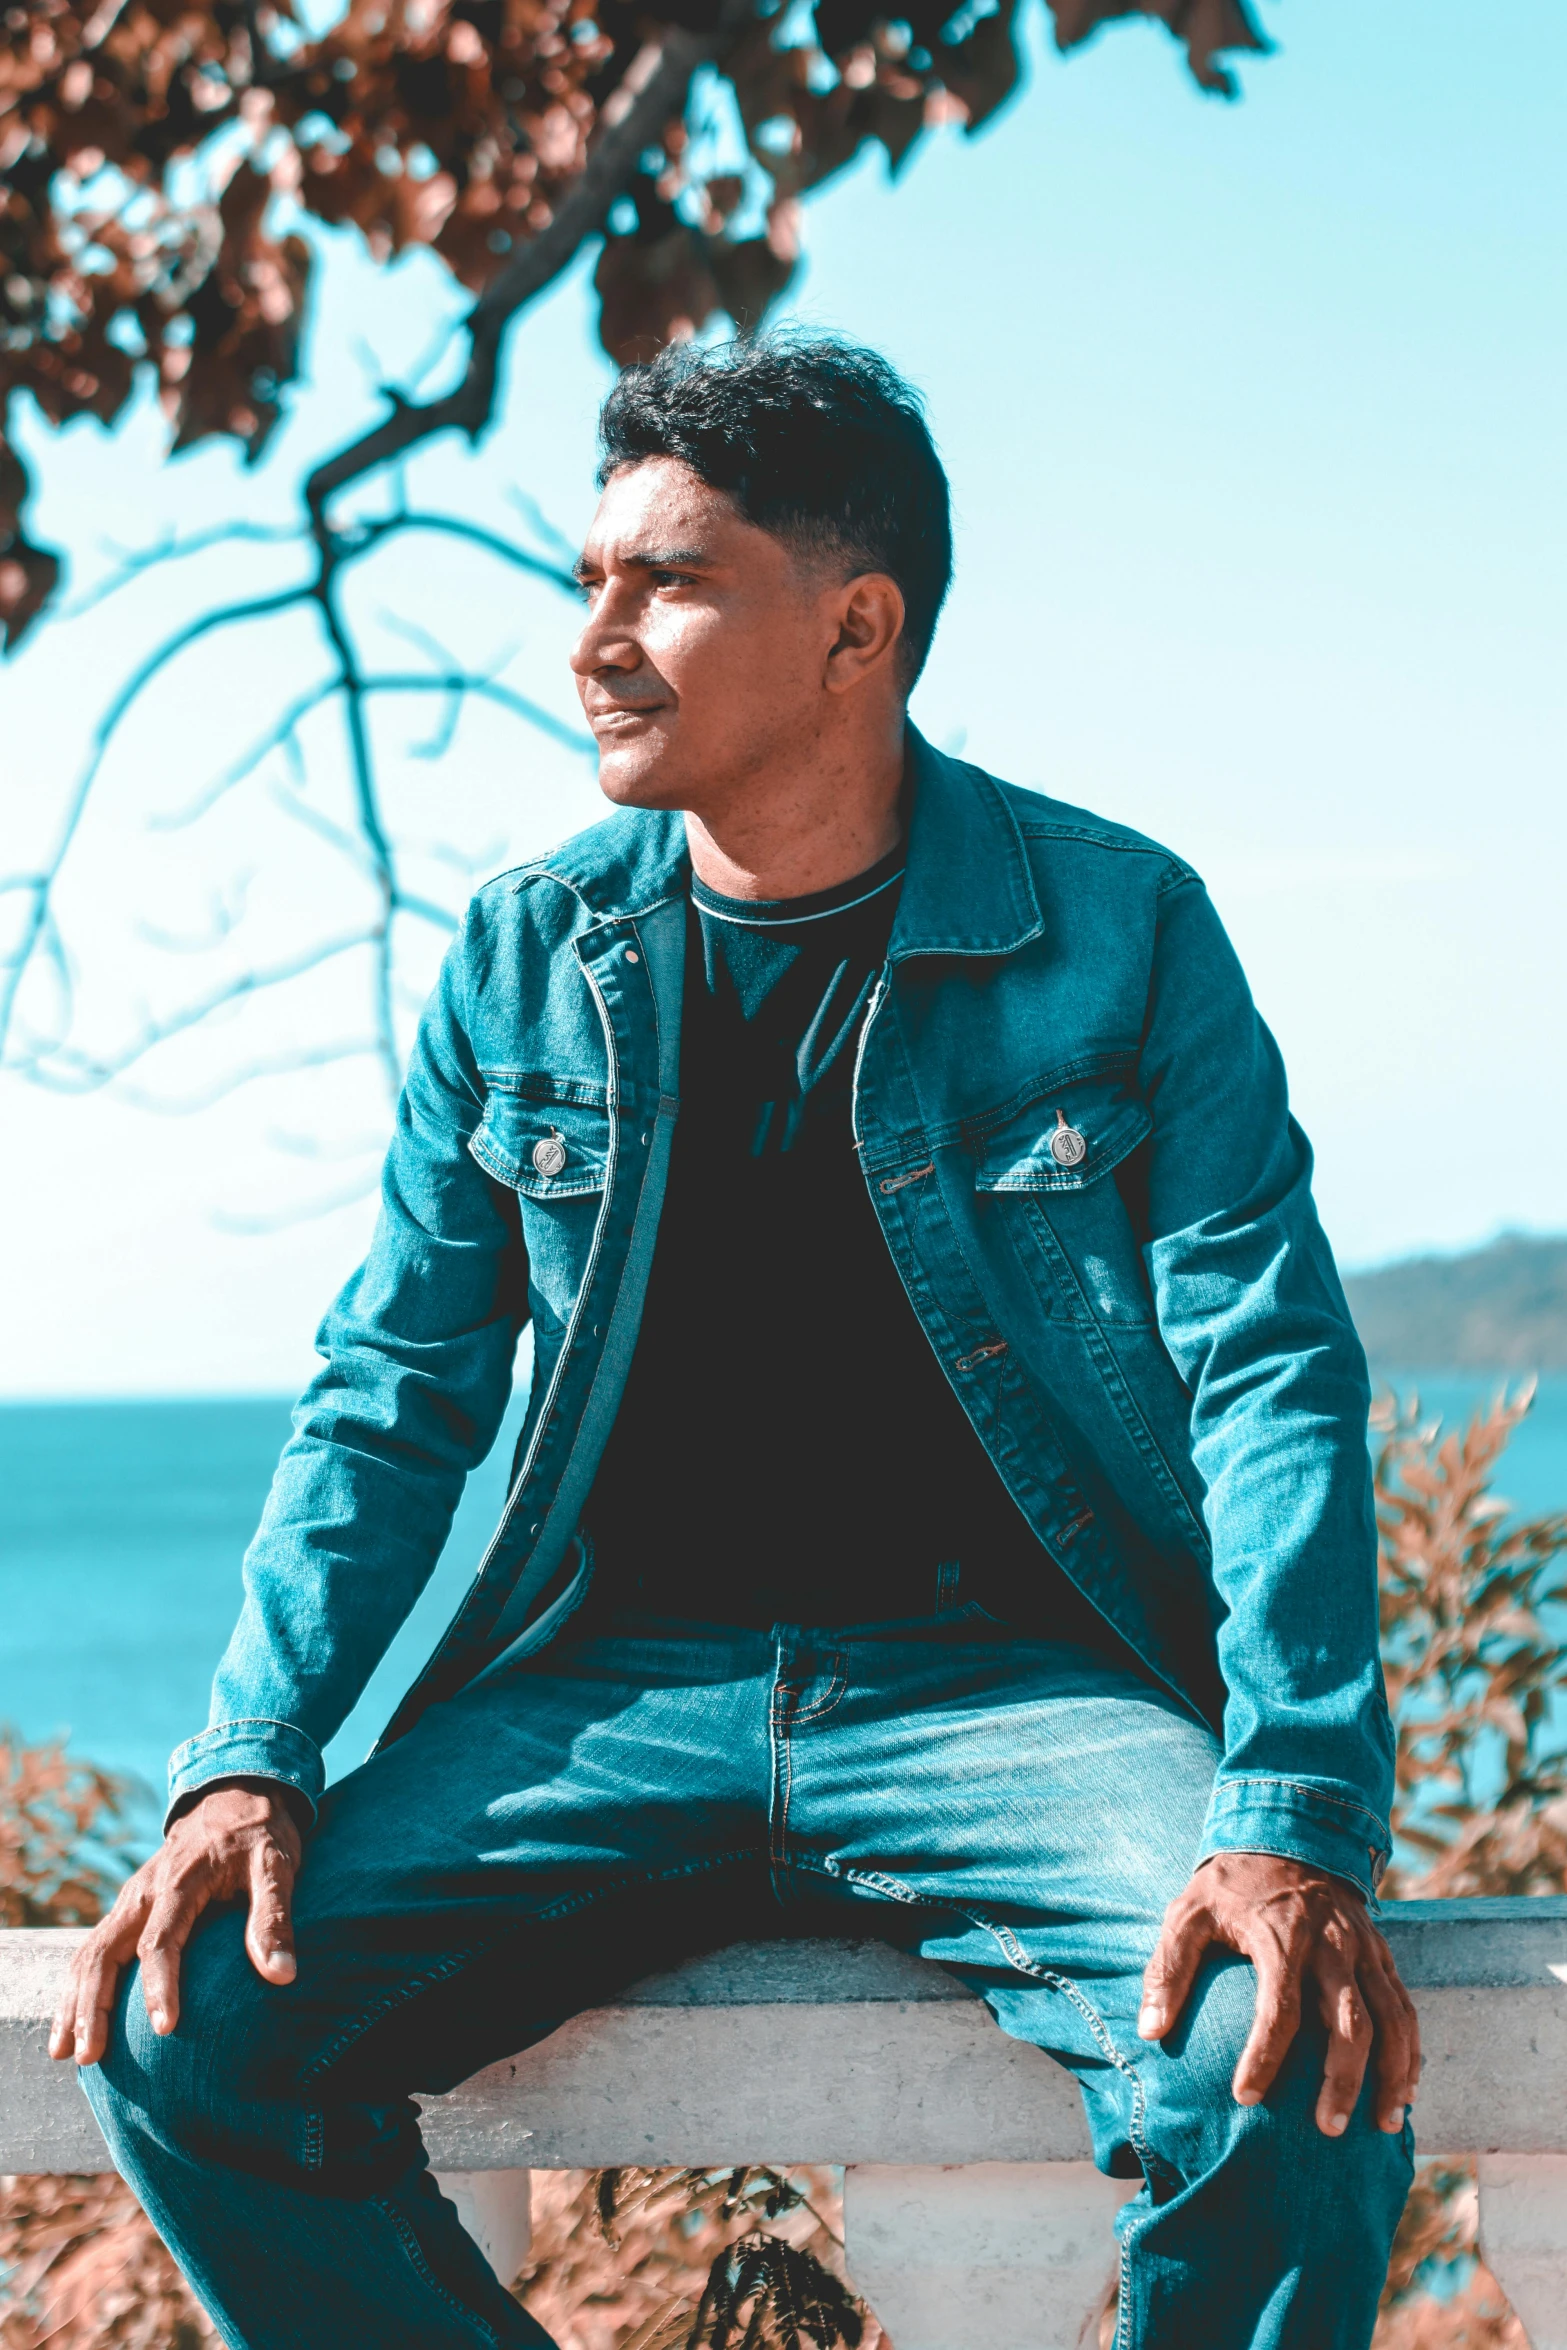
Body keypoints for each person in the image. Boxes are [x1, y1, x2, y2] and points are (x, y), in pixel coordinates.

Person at [53, 334, 1419, 2349]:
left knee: (1278, 2061)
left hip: (1009, 1693)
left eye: (666, 583)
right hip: (603, 1706)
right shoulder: (526, 957)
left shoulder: (1120, 932)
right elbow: (392, 1387)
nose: (596, 637)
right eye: (590, 579)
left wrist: (1292, 1801)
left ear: (858, 628)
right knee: (190, 2036)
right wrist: (247, 1755)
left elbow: (1269, 1365)